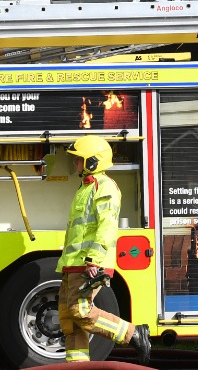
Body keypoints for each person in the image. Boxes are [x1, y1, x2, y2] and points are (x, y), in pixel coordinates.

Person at [56, 135, 151, 364]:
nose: (75, 163)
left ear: (93, 161)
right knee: (69, 319)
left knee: (81, 312)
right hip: (73, 264)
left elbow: (107, 226)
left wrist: (94, 260)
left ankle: (133, 333)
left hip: (88, 264)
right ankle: (77, 367)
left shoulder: (104, 186)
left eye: (79, 160)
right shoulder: (85, 187)